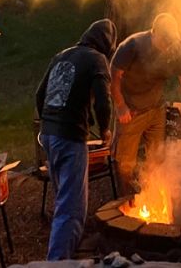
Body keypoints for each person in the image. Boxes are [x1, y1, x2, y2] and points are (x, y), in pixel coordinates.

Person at [36, 18, 117, 261]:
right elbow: (104, 101)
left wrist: (50, 121)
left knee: (63, 198)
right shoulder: (97, 59)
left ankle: (66, 249)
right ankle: (58, 262)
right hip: (69, 138)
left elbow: (40, 94)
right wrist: (104, 130)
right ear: (107, 45)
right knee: (71, 209)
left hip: (49, 135)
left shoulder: (62, 55)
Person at [110, 12, 181, 195]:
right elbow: (114, 76)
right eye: (164, 40)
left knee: (157, 159)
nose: (167, 46)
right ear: (154, 33)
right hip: (131, 111)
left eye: (170, 41)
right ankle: (125, 203)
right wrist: (120, 105)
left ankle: (153, 197)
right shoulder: (132, 46)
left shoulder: (175, 49)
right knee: (125, 163)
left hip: (156, 109)